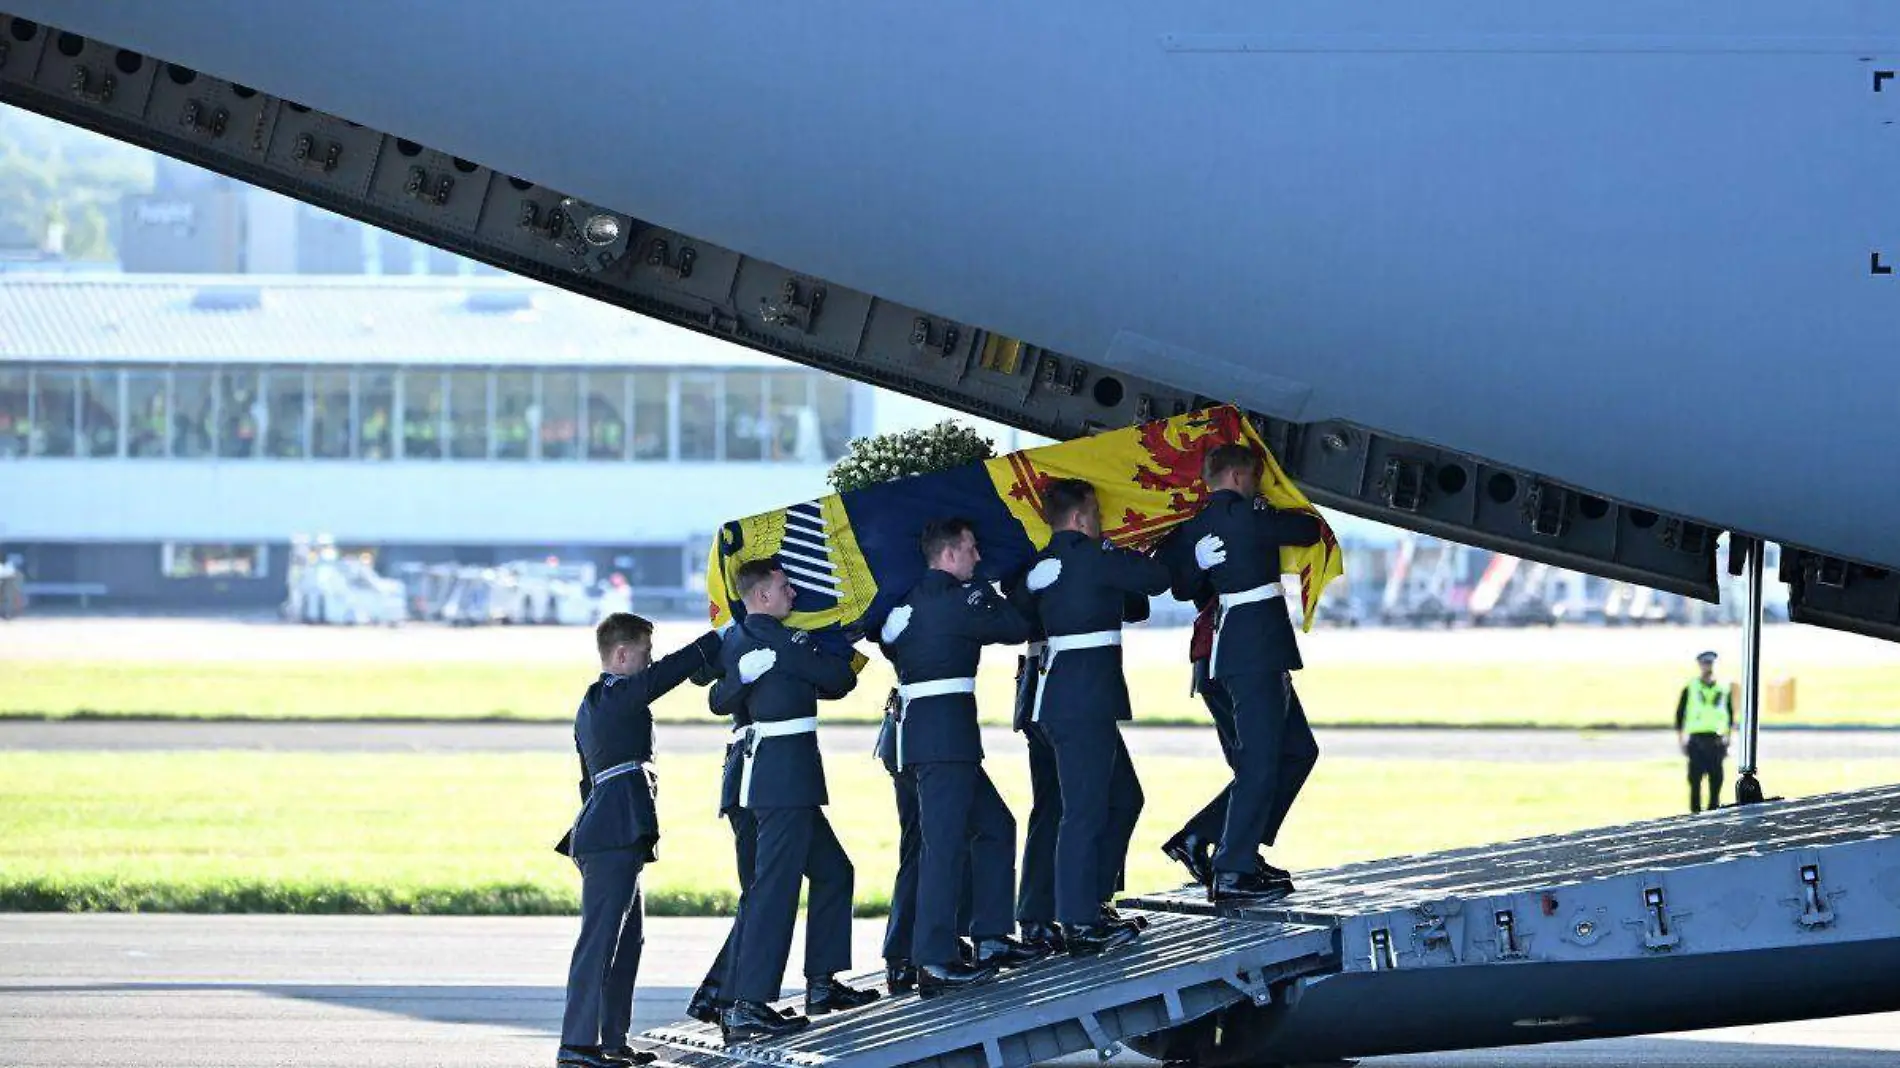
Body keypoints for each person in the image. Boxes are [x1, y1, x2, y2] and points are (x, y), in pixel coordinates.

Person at [708, 559, 879, 1042]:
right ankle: (747, 1004)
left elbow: (719, 698)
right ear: (761, 596)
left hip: (760, 778)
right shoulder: (780, 640)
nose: (795, 594)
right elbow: (839, 681)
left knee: (832, 871)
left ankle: (821, 983)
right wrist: (845, 646)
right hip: (782, 781)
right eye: (785, 587)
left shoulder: (737, 639)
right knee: (774, 890)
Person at [877, 517, 1046, 994]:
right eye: (971, 549)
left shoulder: (907, 603)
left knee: (990, 827)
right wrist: (1002, 588)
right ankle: (933, 959)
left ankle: (977, 939)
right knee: (942, 848)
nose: (977, 557)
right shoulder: (959, 600)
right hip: (943, 743)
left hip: (912, 739)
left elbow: (890, 640)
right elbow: (1017, 626)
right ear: (949, 555)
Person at [556, 613, 723, 1068]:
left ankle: (610, 1040)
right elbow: (666, 676)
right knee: (600, 941)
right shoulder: (613, 695)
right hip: (611, 834)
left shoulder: (603, 703)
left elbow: (587, 782)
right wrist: (718, 639)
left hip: (615, 832)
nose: (650, 663)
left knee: (627, 943)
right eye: (645, 655)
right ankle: (577, 1045)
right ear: (623, 654)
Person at [1160, 443, 1322, 903]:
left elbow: (1182, 587)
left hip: (1241, 647)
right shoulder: (1250, 514)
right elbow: (1307, 529)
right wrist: (1266, 507)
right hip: (1254, 650)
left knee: (1296, 752)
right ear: (1236, 477)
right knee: (1260, 761)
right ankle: (1232, 868)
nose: (1258, 485)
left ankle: (1213, 842)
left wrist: (1196, 562)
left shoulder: (1195, 526)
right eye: (1254, 478)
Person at [1022, 478, 1170, 954]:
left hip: (1068, 700)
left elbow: (1133, 603)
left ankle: (1091, 900)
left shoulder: (1042, 565)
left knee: (1124, 798)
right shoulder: (1095, 556)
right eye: (1099, 513)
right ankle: (1080, 923)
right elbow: (1155, 580)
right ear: (1083, 517)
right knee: (1083, 812)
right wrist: (1130, 548)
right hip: (1081, 703)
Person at [1676, 650, 1736, 813]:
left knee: (1716, 783)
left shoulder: (1724, 688)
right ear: (1699, 665)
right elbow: (1680, 715)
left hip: (1716, 741)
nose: (1707, 667)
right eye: (1704, 663)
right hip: (1696, 741)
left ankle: (1714, 816)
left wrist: (1729, 739)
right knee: (1695, 784)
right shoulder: (1691, 688)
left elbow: (1730, 715)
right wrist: (1681, 740)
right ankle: (1694, 818)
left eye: (1710, 664)